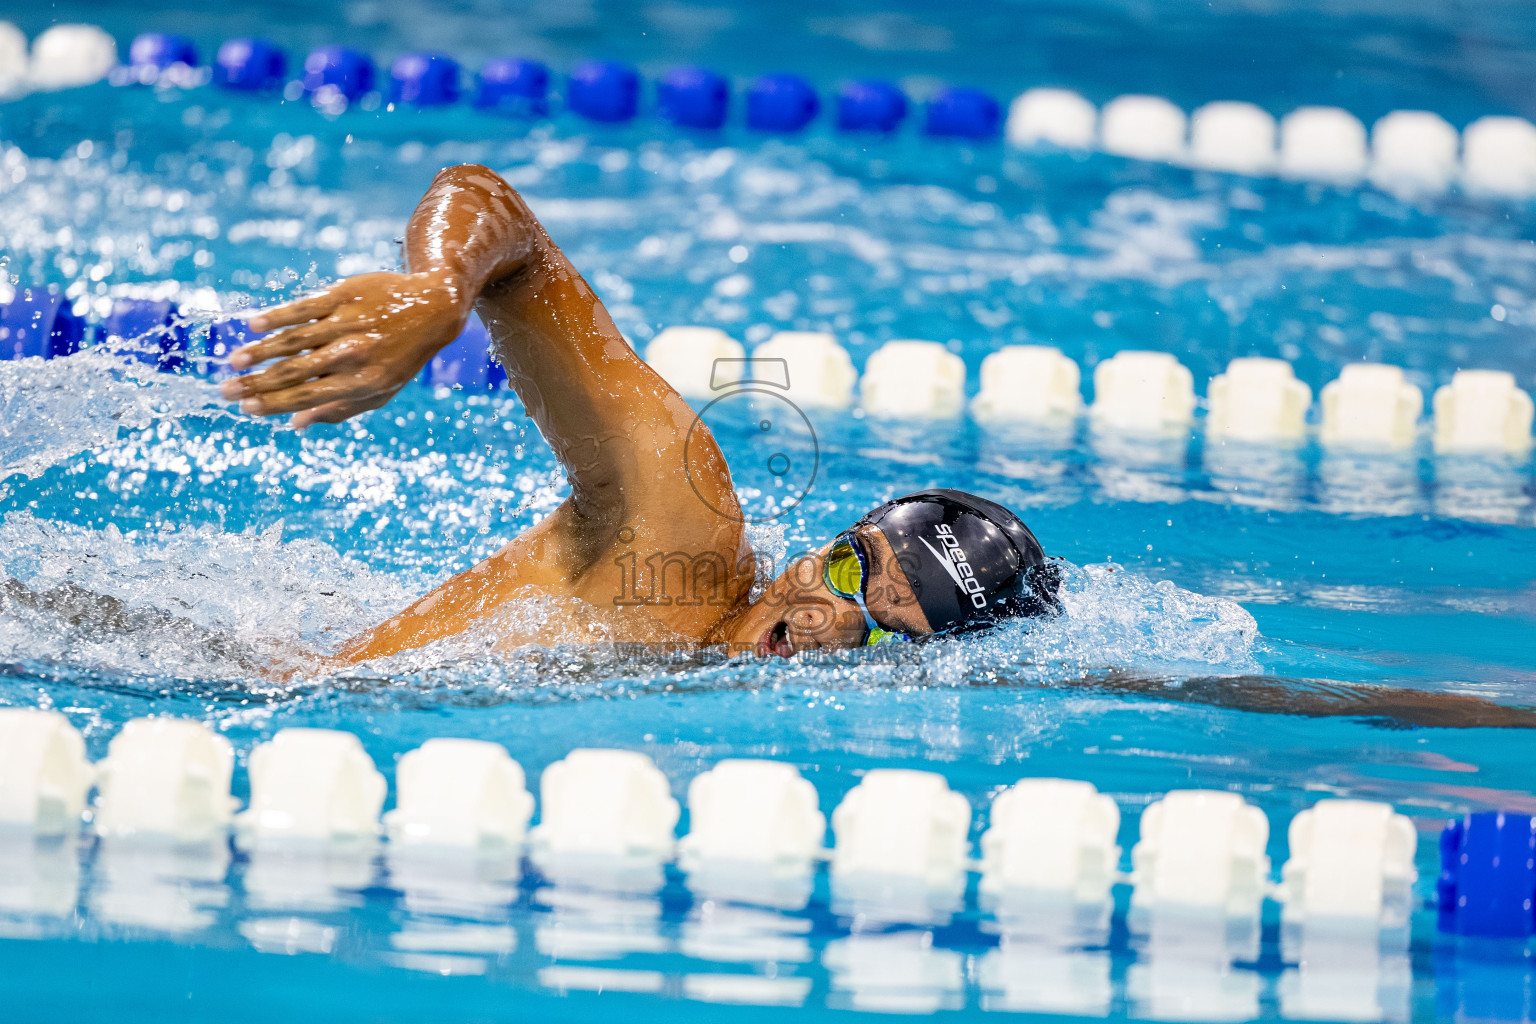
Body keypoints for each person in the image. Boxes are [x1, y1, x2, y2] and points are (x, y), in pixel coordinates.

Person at [219, 164, 1060, 662]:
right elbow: (487, 201)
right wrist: (439, 293)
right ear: (823, 543)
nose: (821, 618)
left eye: (882, 632)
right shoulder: (679, 534)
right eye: (847, 571)